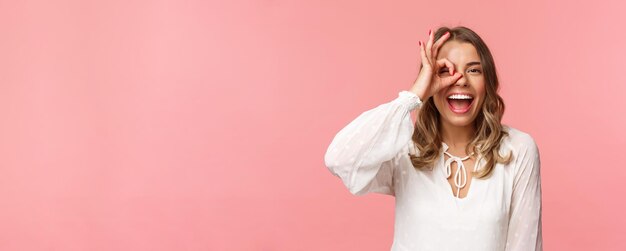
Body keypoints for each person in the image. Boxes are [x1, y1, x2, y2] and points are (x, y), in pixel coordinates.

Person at [324, 26, 542, 250]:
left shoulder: (518, 150)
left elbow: (524, 244)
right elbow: (339, 159)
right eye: (447, 71)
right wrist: (413, 95)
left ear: (488, 83)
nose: (461, 80)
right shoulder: (404, 149)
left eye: (474, 70)